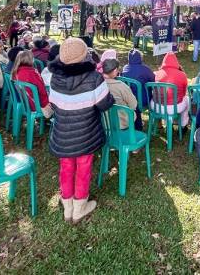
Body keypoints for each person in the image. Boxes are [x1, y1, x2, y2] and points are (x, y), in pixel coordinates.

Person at [48, 37, 114, 223]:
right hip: (87, 133)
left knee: (66, 167)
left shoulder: (55, 77)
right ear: (84, 55)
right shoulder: (94, 78)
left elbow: (54, 104)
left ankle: (67, 205)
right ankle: (79, 206)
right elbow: (104, 104)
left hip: (62, 132)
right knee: (83, 168)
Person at [11, 50, 53, 118]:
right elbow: (42, 91)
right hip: (37, 106)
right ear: (31, 60)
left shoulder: (15, 71)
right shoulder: (32, 73)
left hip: (24, 103)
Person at [121, 49, 155, 131]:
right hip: (143, 100)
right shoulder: (145, 69)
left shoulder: (125, 68)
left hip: (127, 100)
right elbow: (153, 80)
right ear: (140, 58)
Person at [154, 52, 189, 128]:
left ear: (164, 62)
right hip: (173, 108)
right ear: (176, 62)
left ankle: (160, 124)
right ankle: (183, 124)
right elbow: (183, 93)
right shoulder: (182, 75)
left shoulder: (156, 73)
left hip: (156, 106)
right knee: (187, 99)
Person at [101, 58, 137, 129]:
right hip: (122, 122)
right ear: (115, 70)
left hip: (103, 122)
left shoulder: (96, 84)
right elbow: (133, 105)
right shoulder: (121, 86)